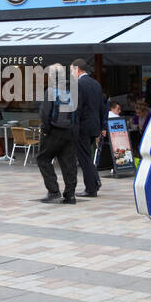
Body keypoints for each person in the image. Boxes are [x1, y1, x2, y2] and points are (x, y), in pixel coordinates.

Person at [36, 64, 77, 204]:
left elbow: (45, 113)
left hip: (54, 131)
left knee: (43, 159)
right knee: (68, 163)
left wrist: (46, 130)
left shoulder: (51, 90)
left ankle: (53, 191)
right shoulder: (72, 89)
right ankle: (70, 195)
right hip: (69, 131)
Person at [71, 59, 104, 197]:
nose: (71, 73)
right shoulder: (96, 84)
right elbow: (102, 107)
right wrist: (102, 125)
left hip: (83, 126)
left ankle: (91, 188)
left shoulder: (78, 84)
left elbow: (76, 108)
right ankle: (95, 181)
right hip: (94, 125)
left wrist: (73, 126)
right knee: (87, 156)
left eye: (72, 70)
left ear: (78, 69)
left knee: (84, 158)